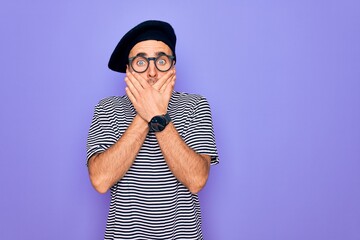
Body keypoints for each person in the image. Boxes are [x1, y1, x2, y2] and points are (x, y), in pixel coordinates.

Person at [86, 20, 219, 240]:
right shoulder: (106, 109)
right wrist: (145, 113)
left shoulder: (196, 106)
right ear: (128, 69)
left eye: (161, 60)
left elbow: (197, 180)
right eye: (141, 62)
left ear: (173, 67)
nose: (152, 72)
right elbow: (100, 181)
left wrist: (158, 117)